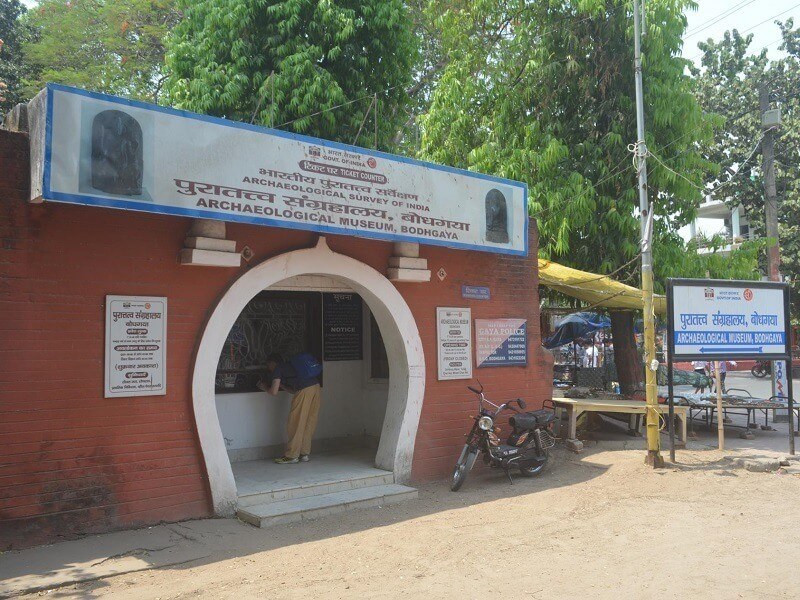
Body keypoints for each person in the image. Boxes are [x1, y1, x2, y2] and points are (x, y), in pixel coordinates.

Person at [259, 352, 322, 465]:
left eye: (268, 365)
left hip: (305, 390)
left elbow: (273, 392)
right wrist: (282, 385)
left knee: (296, 422)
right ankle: (304, 454)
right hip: (316, 387)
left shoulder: (278, 368)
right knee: (309, 422)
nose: (268, 368)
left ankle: (292, 456)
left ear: (272, 363)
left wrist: (265, 387)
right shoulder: (290, 366)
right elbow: (294, 391)